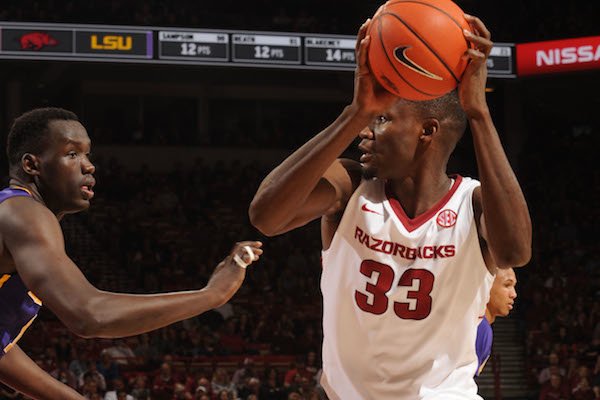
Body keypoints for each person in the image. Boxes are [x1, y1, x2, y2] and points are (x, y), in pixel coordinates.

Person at [249, 15, 531, 400]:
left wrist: (479, 113)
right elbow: (265, 216)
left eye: (381, 120)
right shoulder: (351, 188)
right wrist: (356, 111)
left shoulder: (475, 202)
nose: (366, 132)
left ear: (427, 131)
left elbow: (516, 251)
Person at [0, 107, 263, 400]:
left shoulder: (16, 214)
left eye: (87, 154)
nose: (89, 166)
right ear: (31, 165)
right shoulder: (24, 213)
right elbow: (90, 315)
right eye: (72, 154)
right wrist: (212, 295)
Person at [475, 267, 518, 376]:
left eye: (514, 286)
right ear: (486, 285)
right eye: (507, 285)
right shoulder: (481, 327)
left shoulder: (480, 324)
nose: (514, 294)